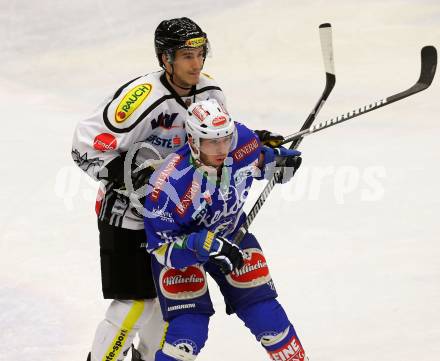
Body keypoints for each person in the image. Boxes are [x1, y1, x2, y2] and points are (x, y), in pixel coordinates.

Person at [72, 17, 232, 361]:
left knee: (163, 305)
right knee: (134, 304)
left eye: (200, 53)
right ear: (165, 59)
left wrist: (262, 148)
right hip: (126, 216)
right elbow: (84, 145)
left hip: (174, 217)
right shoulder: (143, 98)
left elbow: (219, 140)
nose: (196, 63)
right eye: (186, 55)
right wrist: (133, 180)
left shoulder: (209, 92)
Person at [142, 99, 306, 361]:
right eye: (211, 142)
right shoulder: (167, 186)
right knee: (187, 335)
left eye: (225, 140)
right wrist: (199, 245)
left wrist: (277, 164)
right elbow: (160, 248)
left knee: (268, 320)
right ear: (194, 141)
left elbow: (259, 161)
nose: (221, 149)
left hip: (232, 234)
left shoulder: (242, 141)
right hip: (186, 251)